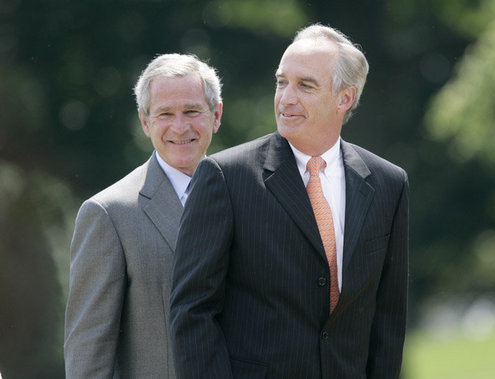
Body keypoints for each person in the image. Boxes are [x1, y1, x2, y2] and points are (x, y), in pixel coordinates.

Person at [170, 24, 409, 378]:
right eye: (282, 82)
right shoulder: (225, 177)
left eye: (305, 85)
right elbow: (192, 313)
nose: (286, 98)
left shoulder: (389, 183)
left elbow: (388, 318)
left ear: (345, 97)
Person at [64, 53, 223, 378]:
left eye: (192, 111)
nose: (180, 127)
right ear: (145, 122)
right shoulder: (109, 214)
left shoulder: (249, 197)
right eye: (165, 114)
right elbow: (88, 356)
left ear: (216, 115)